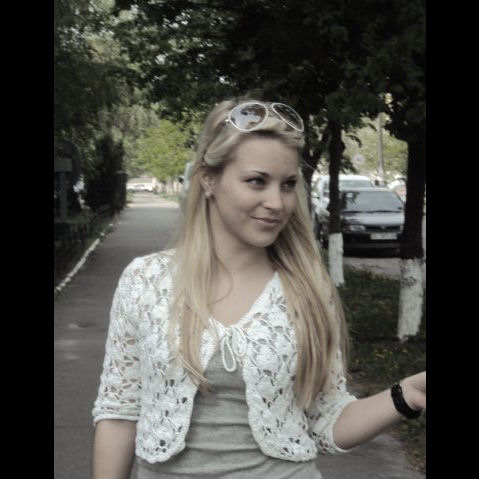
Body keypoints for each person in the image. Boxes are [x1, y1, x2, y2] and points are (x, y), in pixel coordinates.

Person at [92, 99, 426, 479]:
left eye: (288, 185)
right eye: (257, 181)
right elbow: (119, 414)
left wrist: (407, 395)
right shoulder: (145, 281)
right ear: (208, 178)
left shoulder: (308, 289)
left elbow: (328, 419)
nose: (276, 203)